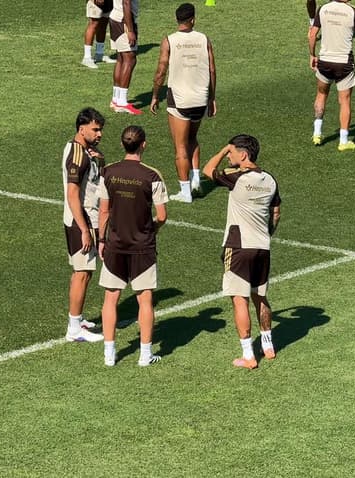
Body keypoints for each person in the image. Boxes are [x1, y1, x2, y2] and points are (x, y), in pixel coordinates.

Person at [202, 134, 281, 370]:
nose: (229, 155)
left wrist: (221, 148)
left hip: (237, 247)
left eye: (232, 152)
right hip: (262, 246)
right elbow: (276, 213)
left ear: (243, 155)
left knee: (239, 300)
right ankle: (268, 345)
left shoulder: (236, 178)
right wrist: (268, 233)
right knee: (260, 296)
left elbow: (208, 170)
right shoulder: (269, 180)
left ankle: (248, 355)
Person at [97, 125, 169, 366]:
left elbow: (104, 210)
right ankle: (145, 355)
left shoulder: (108, 172)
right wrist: (153, 228)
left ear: (122, 144)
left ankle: (109, 354)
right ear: (143, 145)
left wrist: (101, 239)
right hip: (143, 247)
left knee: (110, 298)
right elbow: (162, 215)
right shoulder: (152, 175)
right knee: (145, 300)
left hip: (115, 245)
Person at [151, 3, 217, 204]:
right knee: (193, 138)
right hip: (200, 99)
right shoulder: (204, 39)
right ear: (193, 19)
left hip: (179, 100)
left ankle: (185, 191)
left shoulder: (169, 40)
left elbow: (161, 71)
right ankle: (196, 178)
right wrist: (212, 98)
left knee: (180, 146)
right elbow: (212, 70)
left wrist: (155, 95)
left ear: (177, 19)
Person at [63, 108, 107, 342]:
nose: (99, 134)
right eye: (95, 129)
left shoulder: (79, 150)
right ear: (82, 129)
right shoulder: (78, 155)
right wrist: (84, 230)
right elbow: (72, 194)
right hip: (82, 220)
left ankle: (77, 319)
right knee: (82, 273)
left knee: (83, 273)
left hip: (81, 219)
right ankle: (73, 328)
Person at [308, 0, 355, 151]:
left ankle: (317, 133)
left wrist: (312, 55)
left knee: (321, 94)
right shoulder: (354, 12)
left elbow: (312, 34)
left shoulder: (323, 9)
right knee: (344, 101)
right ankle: (343, 141)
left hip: (324, 61)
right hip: (344, 63)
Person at [109, 0, 143, 114]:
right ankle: (122, 102)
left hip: (115, 17)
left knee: (121, 59)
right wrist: (131, 30)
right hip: (124, 21)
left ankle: (116, 99)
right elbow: (126, 3)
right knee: (130, 59)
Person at [82, 0, 117, 68]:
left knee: (103, 25)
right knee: (93, 24)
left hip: (109, 2)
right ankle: (87, 57)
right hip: (95, 2)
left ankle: (99, 54)